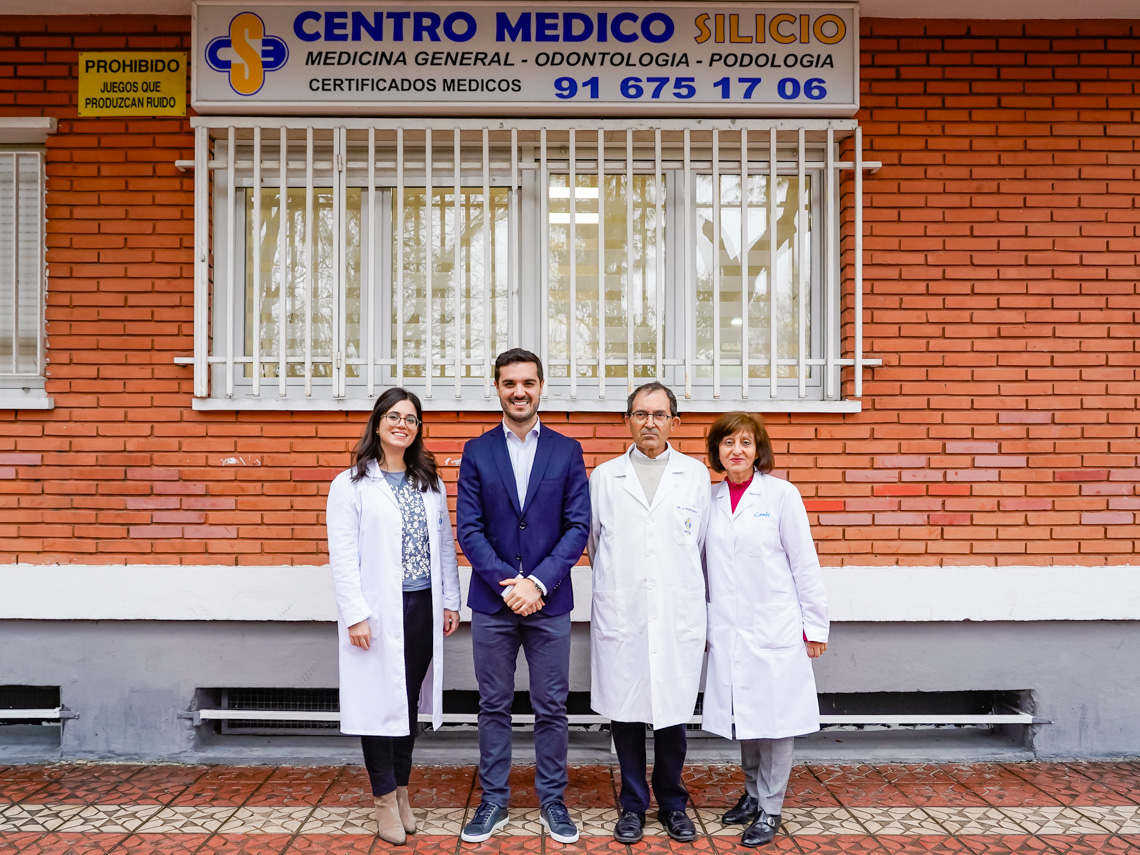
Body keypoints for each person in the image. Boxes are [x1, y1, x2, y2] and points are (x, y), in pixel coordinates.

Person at [456, 348, 591, 845]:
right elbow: (469, 530)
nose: (519, 391)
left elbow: (577, 526)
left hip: (549, 601)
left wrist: (536, 583)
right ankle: (494, 802)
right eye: (510, 383)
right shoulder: (477, 450)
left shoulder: (566, 450)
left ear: (541, 387)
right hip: (493, 603)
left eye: (528, 383)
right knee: (493, 705)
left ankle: (552, 802)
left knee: (551, 706)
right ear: (497, 387)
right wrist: (507, 585)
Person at [325, 388, 462, 846]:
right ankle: (383, 799)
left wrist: (450, 600)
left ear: (418, 428)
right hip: (377, 613)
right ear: (378, 423)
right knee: (375, 707)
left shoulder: (429, 481)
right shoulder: (350, 484)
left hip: (422, 606)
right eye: (394, 416)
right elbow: (342, 557)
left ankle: (403, 791)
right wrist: (355, 616)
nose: (403, 424)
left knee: (405, 706)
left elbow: (444, 545)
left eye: (411, 418)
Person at [587, 381, 711, 844]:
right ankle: (633, 805)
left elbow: (700, 549)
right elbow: (598, 547)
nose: (650, 423)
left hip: (675, 614)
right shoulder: (604, 478)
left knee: (673, 713)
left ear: (674, 422)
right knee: (626, 713)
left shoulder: (695, 476)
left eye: (659, 415)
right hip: (624, 614)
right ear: (627, 421)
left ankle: (674, 803)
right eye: (641, 414)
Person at [701, 411, 829, 848]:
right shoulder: (711, 499)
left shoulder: (781, 496)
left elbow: (804, 564)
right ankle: (753, 795)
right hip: (730, 627)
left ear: (758, 451)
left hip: (776, 625)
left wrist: (815, 627)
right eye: (727, 443)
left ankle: (771, 808)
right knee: (747, 715)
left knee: (776, 721)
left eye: (745, 443)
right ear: (717, 451)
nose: (736, 451)